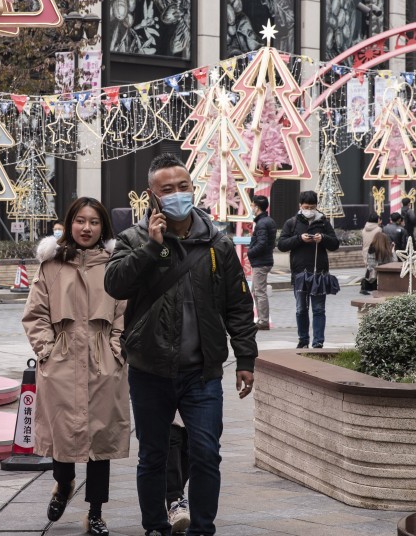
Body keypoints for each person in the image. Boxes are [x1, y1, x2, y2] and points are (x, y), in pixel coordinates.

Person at [104, 153, 258, 536]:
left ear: (193, 188)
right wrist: (152, 248)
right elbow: (115, 284)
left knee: (207, 453)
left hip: (201, 372)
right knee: (153, 455)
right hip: (150, 369)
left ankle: (202, 529)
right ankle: (155, 526)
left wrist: (245, 358)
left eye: (183, 186)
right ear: (153, 196)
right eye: (167, 189)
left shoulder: (216, 243)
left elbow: (238, 304)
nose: (177, 194)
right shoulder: (134, 239)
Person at [22, 197, 130, 536]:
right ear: (70, 224)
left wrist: (116, 349)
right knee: (62, 431)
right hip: (62, 358)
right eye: (80, 221)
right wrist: (48, 351)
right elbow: (35, 314)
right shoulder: (51, 266)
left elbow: (126, 312)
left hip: (103, 360)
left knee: (101, 440)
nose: (87, 228)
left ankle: (96, 512)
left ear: (103, 227)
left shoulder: (116, 265)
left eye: (94, 222)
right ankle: (63, 482)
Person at [277, 191, 340, 349]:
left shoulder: (324, 223)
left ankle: (318, 342)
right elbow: (282, 245)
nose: (309, 209)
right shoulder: (292, 223)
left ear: (316, 206)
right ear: (300, 206)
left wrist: (323, 239)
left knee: (319, 309)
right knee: (301, 309)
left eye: (312, 207)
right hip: (299, 273)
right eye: (306, 207)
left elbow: (335, 244)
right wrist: (299, 239)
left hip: (319, 273)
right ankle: (303, 340)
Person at [247, 194, 277, 330]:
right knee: (256, 291)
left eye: (253, 205)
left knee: (259, 292)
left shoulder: (262, 223)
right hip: (264, 260)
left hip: (261, 261)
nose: (251, 207)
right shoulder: (267, 221)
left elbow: (262, 243)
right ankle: (261, 319)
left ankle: (263, 321)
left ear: (257, 207)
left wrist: (250, 252)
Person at [165, 415, 191, 534]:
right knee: (172, 441)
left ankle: (176, 498)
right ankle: (174, 501)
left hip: (193, 407)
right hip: (166, 405)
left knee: (188, 450)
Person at [364, 230, 396, 294]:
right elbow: (395, 262)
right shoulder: (387, 251)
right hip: (387, 278)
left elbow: (371, 265)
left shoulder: (371, 249)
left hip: (374, 280)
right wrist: (393, 251)